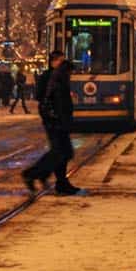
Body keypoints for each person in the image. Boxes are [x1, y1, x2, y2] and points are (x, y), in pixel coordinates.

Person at [21, 51, 84, 196]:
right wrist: (54, 115)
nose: (63, 65)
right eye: (60, 62)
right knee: (60, 152)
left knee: (63, 152)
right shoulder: (50, 77)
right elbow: (43, 97)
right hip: (54, 121)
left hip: (58, 119)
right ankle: (33, 174)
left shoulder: (59, 76)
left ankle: (58, 181)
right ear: (54, 61)